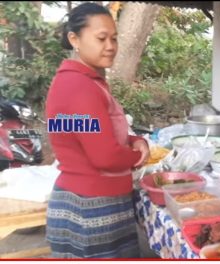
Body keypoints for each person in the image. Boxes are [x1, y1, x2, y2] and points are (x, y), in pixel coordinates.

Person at [45, 3, 149, 258]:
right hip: (92, 208)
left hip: (80, 199)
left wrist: (133, 139)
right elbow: (105, 155)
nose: (111, 45)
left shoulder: (73, 81)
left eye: (114, 38)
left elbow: (82, 132)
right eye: (101, 38)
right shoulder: (80, 86)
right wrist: (140, 155)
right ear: (74, 39)